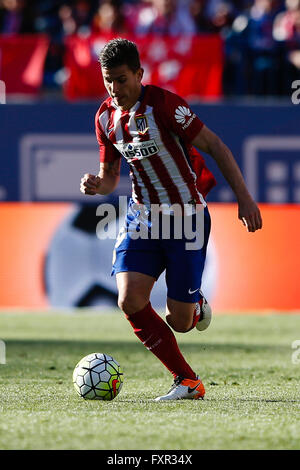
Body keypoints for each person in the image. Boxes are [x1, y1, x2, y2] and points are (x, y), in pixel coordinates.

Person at [80, 38, 262, 401]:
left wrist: (244, 199)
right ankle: (187, 381)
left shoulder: (165, 105)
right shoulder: (104, 118)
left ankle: (193, 306)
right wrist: (98, 185)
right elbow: (111, 176)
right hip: (142, 218)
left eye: (121, 79)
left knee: (180, 322)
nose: (115, 89)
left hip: (186, 219)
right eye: (108, 81)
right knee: (129, 300)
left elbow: (216, 146)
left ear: (139, 74)